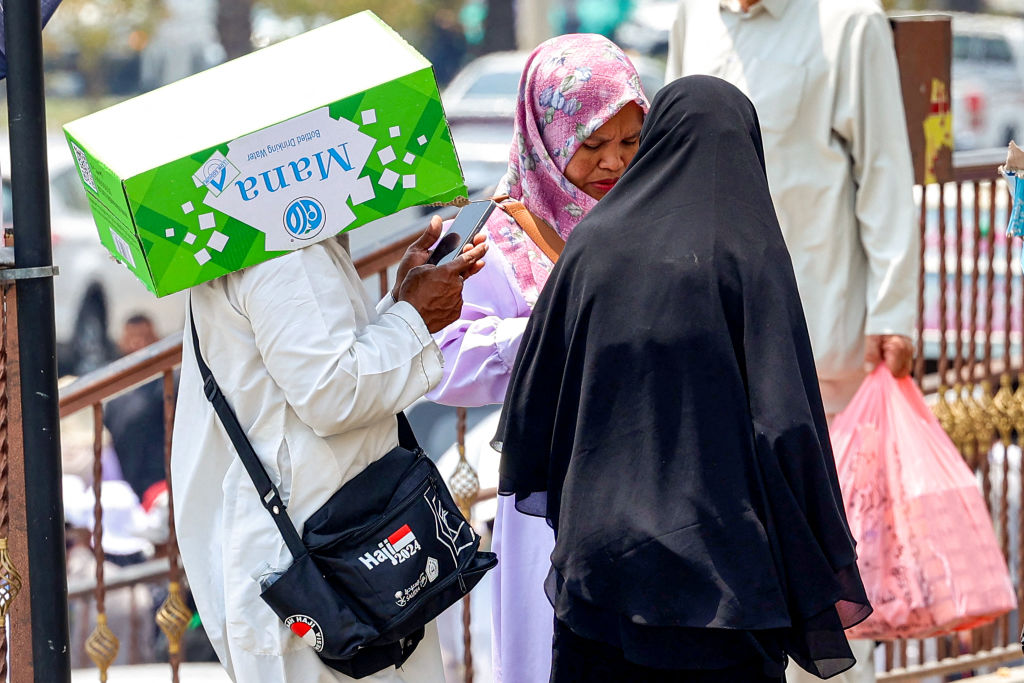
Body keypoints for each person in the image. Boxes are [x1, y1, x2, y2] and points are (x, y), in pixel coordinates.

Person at [496, 76, 871, 682]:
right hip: (725, 585)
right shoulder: (751, 256)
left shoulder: (591, 246)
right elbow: (786, 422)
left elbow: (533, 408)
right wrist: (815, 552)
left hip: (602, 576)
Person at [667, 3, 918, 678]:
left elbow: (885, 171)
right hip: (714, 337)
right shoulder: (695, 16)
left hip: (822, 338)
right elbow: (672, 155)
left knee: (827, 559)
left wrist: (892, 312)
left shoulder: (850, 21)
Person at [425, 33, 649, 683]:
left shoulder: (651, 216)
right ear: (546, 136)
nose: (613, 162)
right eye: (592, 144)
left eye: (630, 141)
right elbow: (442, 359)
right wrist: (546, 334)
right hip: (550, 495)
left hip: (649, 482)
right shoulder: (492, 237)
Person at [170, 225, 486, 682]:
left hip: (330, 550)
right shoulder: (283, 248)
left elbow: (315, 363)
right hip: (327, 560)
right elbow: (333, 393)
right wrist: (414, 317)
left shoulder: (249, 233)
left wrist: (401, 304)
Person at [104, 314, 168, 502]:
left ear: (157, 339)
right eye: (131, 338)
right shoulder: (112, 383)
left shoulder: (169, 382)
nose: (137, 344)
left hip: (159, 481)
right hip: (122, 478)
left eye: (145, 337)